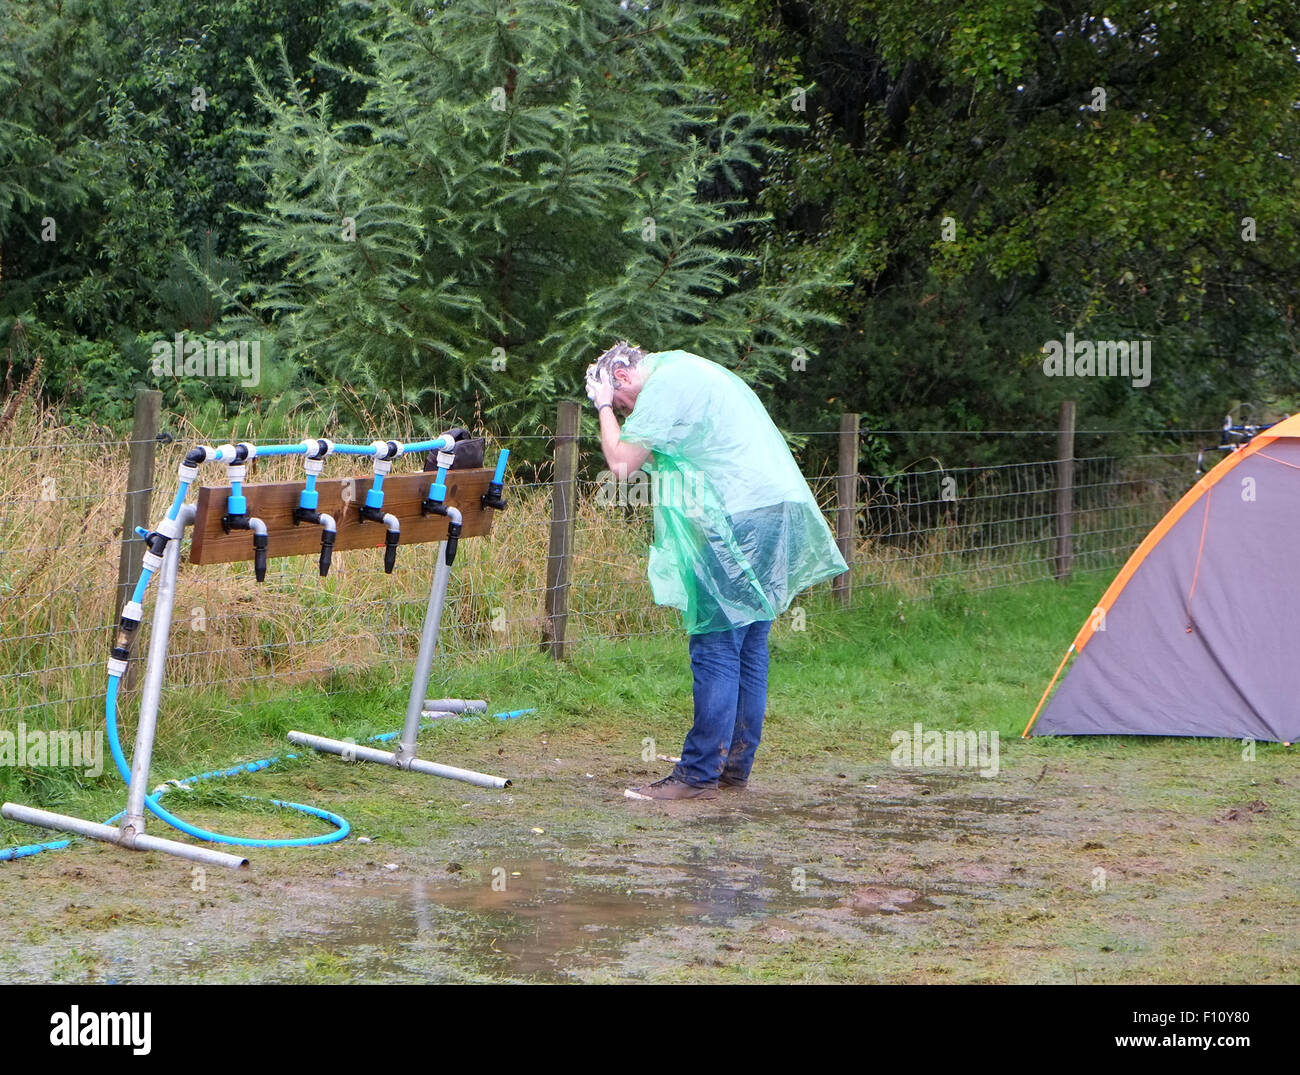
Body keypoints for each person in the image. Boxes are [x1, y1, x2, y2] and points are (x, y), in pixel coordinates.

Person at [586, 342, 847, 800]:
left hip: (737, 519)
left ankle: (697, 774)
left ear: (622, 378)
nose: (627, 416)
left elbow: (622, 464)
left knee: (716, 645)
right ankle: (732, 768)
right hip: (771, 512)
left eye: (623, 403)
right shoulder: (687, 366)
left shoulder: (663, 385)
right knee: (749, 645)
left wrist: (603, 406)